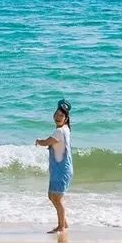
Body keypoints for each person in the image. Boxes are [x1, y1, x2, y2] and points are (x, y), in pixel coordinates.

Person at [35, 97, 73, 235]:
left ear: (66, 118)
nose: (58, 117)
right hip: (60, 169)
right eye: (57, 114)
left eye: (61, 116)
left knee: (56, 198)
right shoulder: (65, 129)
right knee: (52, 196)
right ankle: (64, 222)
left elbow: (46, 142)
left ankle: (61, 227)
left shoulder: (59, 131)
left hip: (61, 170)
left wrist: (39, 141)